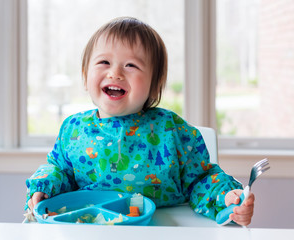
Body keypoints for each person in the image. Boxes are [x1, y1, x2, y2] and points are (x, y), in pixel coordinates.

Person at [25, 17, 255, 226]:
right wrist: (44, 190)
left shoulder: (171, 130)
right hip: (89, 225)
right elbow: (60, 171)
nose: (115, 73)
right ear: (85, 76)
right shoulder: (73, 129)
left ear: (154, 85)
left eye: (131, 65)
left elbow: (202, 179)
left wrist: (226, 198)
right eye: (104, 62)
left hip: (164, 227)